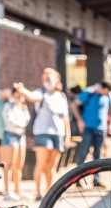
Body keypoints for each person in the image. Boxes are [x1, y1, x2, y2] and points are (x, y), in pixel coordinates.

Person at [14, 68, 71, 200]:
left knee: (52, 165)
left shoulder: (61, 96)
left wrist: (67, 136)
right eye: (44, 78)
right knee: (41, 163)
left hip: (59, 133)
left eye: (49, 77)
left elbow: (66, 119)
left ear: (57, 79)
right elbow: (31, 97)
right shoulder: (41, 93)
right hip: (43, 132)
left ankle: (51, 192)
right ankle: (39, 193)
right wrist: (21, 90)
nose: (46, 80)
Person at [70, 80, 111, 187]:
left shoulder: (109, 94)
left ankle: (96, 179)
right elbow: (74, 105)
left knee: (98, 155)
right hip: (88, 128)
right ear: (101, 87)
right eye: (105, 91)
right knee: (83, 153)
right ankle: (77, 178)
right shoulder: (89, 93)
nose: (106, 93)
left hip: (101, 129)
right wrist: (79, 121)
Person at [0, 87, 31, 201]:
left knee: (19, 165)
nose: (20, 96)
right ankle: (7, 191)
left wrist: (21, 125)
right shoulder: (8, 105)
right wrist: (20, 124)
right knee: (9, 165)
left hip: (21, 135)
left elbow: (27, 119)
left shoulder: (23, 107)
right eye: (17, 94)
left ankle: (18, 190)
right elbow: (9, 120)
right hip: (10, 135)